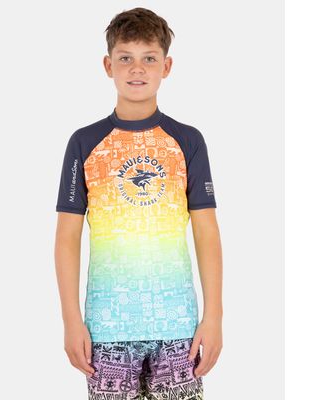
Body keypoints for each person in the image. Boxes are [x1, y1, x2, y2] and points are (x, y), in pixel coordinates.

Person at [54, 7, 223, 399]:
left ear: (166, 66)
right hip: (106, 329)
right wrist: (71, 321)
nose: (137, 69)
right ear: (107, 65)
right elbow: (66, 238)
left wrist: (213, 315)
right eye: (125, 58)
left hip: (178, 326)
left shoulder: (188, 141)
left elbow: (207, 232)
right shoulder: (84, 143)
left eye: (149, 58)